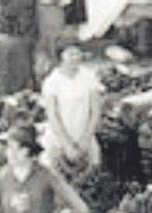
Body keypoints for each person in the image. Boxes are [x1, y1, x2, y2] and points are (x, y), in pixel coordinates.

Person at [40, 38, 104, 169]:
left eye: (78, 53)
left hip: (84, 135)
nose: (75, 57)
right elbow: (53, 116)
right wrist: (67, 145)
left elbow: (95, 110)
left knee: (92, 176)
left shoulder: (89, 76)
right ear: (61, 56)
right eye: (70, 54)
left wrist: (86, 139)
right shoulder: (52, 81)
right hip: (59, 139)